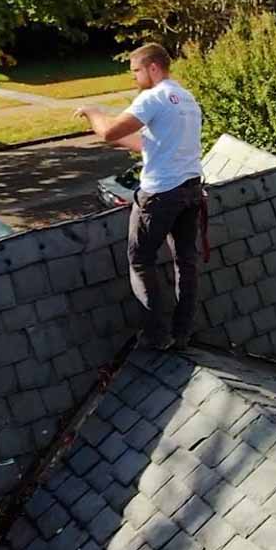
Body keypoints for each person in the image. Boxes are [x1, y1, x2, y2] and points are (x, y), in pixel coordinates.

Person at [75, 43, 203, 350]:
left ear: (153, 67)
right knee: (186, 262)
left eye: (136, 71)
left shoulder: (153, 97)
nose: (134, 78)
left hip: (160, 194)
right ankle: (182, 332)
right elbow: (151, 145)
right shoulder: (186, 99)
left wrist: (94, 113)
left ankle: (156, 336)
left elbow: (108, 132)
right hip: (191, 190)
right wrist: (120, 138)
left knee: (141, 260)